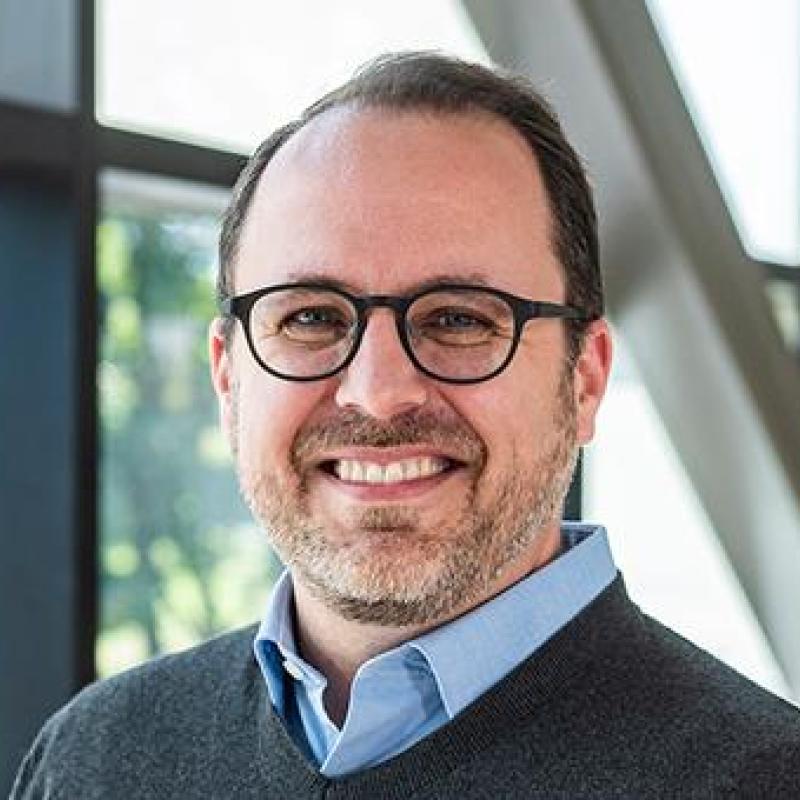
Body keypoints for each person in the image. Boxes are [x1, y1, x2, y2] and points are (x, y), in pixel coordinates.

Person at [12, 52, 800, 799]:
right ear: (229, 379)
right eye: (313, 317)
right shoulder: (95, 758)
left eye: (458, 318)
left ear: (585, 378)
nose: (378, 392)